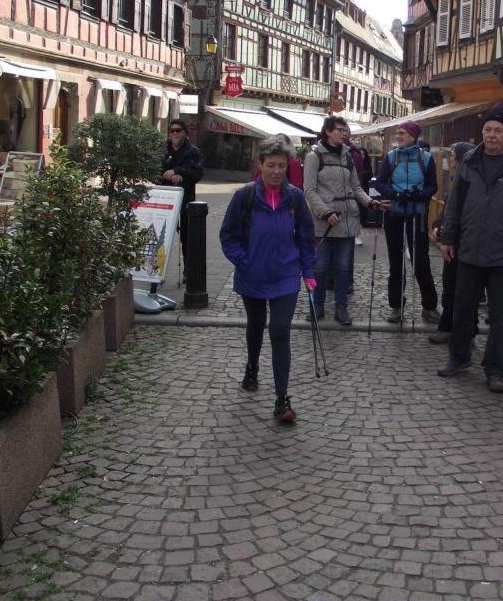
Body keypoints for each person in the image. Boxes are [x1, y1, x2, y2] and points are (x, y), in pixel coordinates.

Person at [436, 108, 503, 393]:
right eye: (487, 130)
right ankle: (459, 357)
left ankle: (495, 370)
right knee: (462, 309)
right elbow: (454, 203)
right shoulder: (469, 161)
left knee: (500, 318)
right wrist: (447, 237)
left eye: (498, 130)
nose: (492, 135)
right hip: (469, 249)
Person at [219, 136, 316, 423]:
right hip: (253, 274)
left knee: (280, 331)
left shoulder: (295, 197)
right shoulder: (245, 196)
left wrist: (309, 273)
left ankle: (282, 399)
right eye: (271, 165)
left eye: (281, 166)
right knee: (256, 324)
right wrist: (244, 260)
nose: (276, 171)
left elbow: (306, 238)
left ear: (288, 167)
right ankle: (252, 366)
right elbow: (228, 235)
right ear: (260, 165)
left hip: (285, 275)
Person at [303, 116, 383, 326]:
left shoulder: (348, 156)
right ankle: (317, 305)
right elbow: (309, 190)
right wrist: (325, 212)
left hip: (347, 221)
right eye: (339, 129)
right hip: (324, 223)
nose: (344, 133)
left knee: (343, 268)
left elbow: (356, 187)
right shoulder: (314, 157)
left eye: (345, 130)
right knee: (320, 268)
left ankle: (341, 308)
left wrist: (370, 202)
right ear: (328, 131)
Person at [374, 121, 439, 324]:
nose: (398, 136)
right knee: (396, 262)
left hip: (417, 216)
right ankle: (396, 307)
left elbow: (433, 186)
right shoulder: (391, 157)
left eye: (402, 133)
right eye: (398, 133)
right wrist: (394, 194)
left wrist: (419, 194)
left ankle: (429, 307)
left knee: (421, 262)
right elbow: (380, 182)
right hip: (394, 214)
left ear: (413, 136)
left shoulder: (426, 158)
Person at [429, 141, 475, 344]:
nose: (450, 159)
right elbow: (448, 212)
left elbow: (462, 215)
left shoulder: (470, 182)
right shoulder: (455, 180)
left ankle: (466, 332)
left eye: (453, 155)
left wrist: (445, 229)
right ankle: (447, 327)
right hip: (451, 241)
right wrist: (438, 225)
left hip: (464, 243)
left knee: (464, 291)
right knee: (449, 288)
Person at [160, 118, 204, 267]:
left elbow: (197, 174)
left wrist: (179, 173)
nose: (175, 133)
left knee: (187, 237)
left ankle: (188, 269)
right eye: (172, 130)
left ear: (185, 133)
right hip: (165, 201)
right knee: (161, 235)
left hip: (186, 201)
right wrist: (169, 176)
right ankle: (156, 268)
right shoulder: (163, 150)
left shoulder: (193, 152)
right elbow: (155, 172)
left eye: (178, 130)